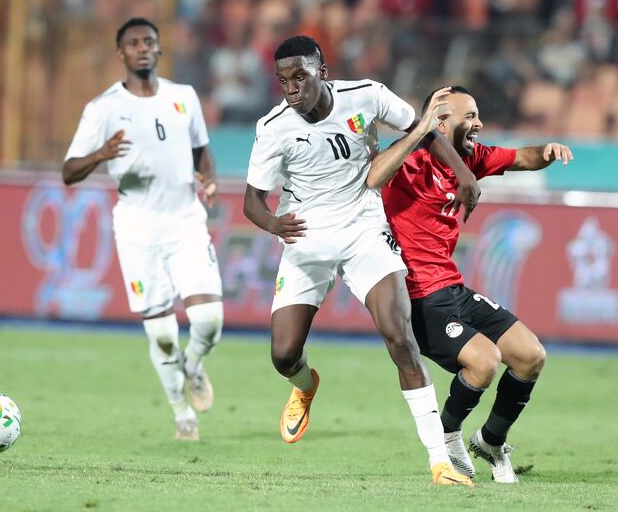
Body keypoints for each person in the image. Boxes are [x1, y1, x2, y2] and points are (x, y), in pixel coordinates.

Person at [243, 35, 481, 486]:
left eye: (300, 77)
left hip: (363, 230)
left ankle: (439, 462)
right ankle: (305, 386)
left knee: (400, 338)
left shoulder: (367, 96)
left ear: (322, 72)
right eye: (283, 81)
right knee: (283, 354)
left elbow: (425, 130)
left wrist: (463, 172)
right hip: (306, 238)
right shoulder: (273, 127)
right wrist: (274, 225)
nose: (292, 89)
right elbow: (251, 202)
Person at [376, 85, 573, 483]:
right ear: (440, 121)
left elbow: (521, 157)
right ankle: (446, 436)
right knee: (484, 362)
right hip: (419, 298)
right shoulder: (409, 159)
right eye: (470, 116)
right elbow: (374, 174)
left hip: (454, 289)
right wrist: (417, 131)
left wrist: (547, 150)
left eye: (478, 115)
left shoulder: (471, 158)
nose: (479, 123)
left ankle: (491, 440)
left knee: (531, 355)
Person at [63, 18, 223, 441]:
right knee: (164, 333)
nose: (142, 48)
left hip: (185, 220)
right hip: (137, 228)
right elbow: (69, 171)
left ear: (159, 49)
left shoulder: (183, 97)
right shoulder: (103, 108)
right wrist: (102, 152)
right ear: (121, 54)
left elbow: (202, 152)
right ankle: (181, 413)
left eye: (149, 41)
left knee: (208, 320)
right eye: (133, 43)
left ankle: (194, 364)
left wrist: (207, 178)